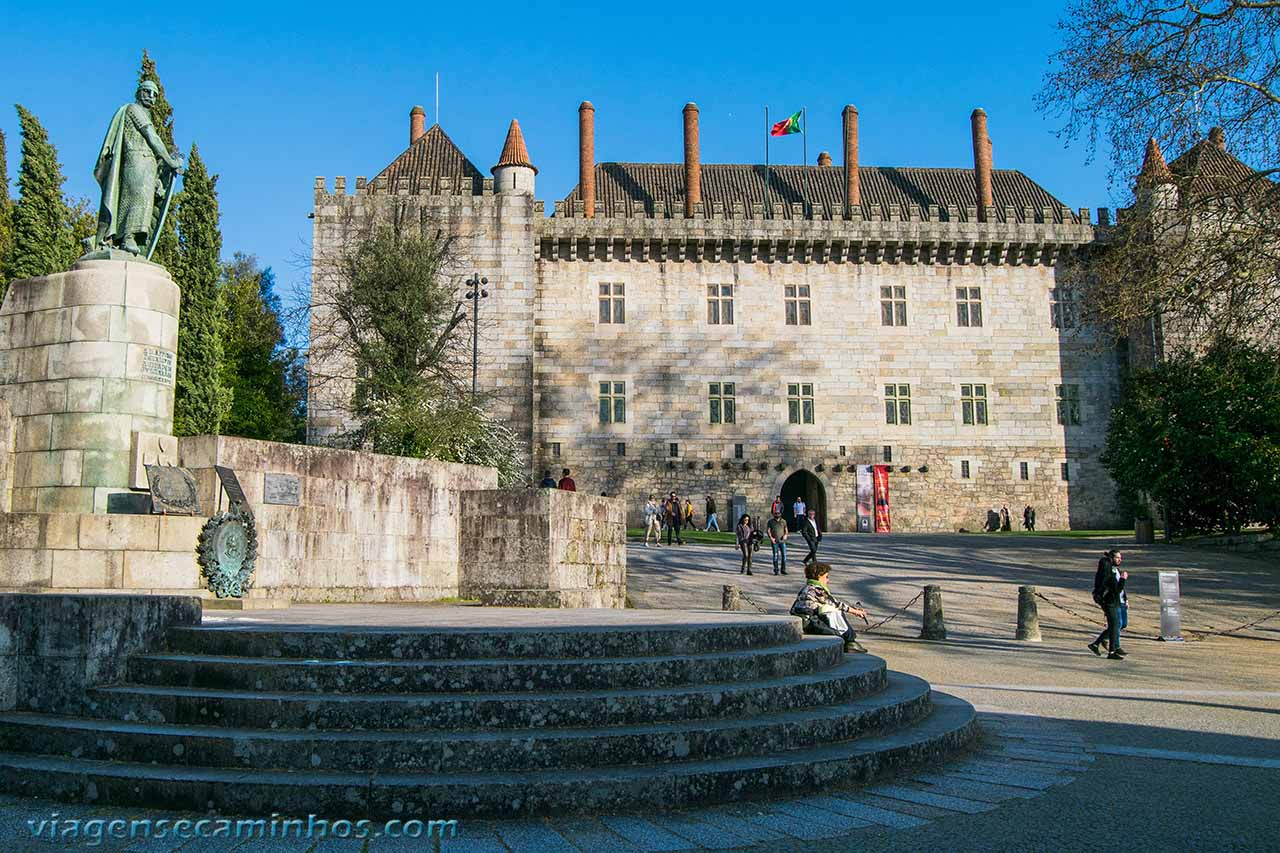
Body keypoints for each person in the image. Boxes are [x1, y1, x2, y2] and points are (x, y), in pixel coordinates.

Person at [790, 562, 869, 653]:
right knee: (836, 614)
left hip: (806, 621)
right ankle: (850, 641)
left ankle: (850, 642)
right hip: (811, 623)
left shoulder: (807, 588)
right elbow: (835, 604)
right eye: (826, 577)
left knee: (831, 613)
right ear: (819, 576)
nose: (828, 580)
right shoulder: (816, 589)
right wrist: (855, 611)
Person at [1089, 549, 1129, 660]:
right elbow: (1117, 589)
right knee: (1115, 625)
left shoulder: (1112, 571)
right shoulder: (1108, 575)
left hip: (1115, 601)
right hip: (1110, 602)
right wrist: (1123, 579)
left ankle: (1098, 645)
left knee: (1116, 625)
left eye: (1120, 557)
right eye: (1117, 558)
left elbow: (1120, 591)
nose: (1120, 559)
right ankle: (1112, 650)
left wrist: (1125, 598)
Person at [766, 508, 789, 575]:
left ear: (780, 514)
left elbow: (786, 530)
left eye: (778, 513)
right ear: (773, 514)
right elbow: (768, 530)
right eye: (775, 513)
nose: (777, 514)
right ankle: (776, 570)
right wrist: (771, 538)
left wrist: (785, 535)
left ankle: (783, 569)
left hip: (782, 541)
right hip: (775, 541)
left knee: (784, 556)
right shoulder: (770, 522)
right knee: (775, 556)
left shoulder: (783, 521)